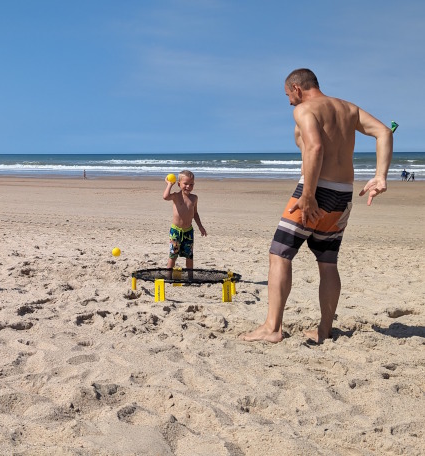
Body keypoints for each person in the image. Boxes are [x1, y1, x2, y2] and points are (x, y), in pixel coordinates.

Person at [242, 68, 393, 344]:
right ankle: (325, 330)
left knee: (279, 254)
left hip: (315, 190)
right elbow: (383, 132)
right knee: (327, 261)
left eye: (288, 95)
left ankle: (272, 327)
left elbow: (315, 148)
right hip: (343, 194)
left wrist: (309, 194)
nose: (289, 101)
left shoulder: (305, 109)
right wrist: (380, 175)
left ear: (297, 89)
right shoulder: (349, 109)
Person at [163, 170, 207, 271]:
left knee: (189, 256)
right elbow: (165, 197)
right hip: (175, 231)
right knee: (173, 255)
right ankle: (169, 276)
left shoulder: (194, 198)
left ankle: (190, 277)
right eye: (185, 184)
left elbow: (195, 213)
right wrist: (169, 184)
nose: (188, 186)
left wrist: (200, 226)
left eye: (191, 184)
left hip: (188, 232)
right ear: (179, 184)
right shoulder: (176, 196)